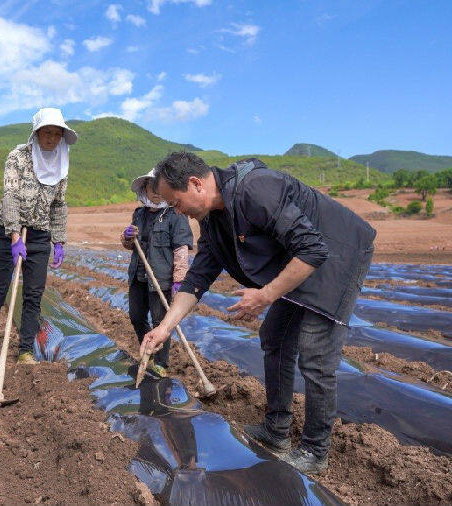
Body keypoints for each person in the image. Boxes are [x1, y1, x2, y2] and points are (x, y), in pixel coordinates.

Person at [142, 152, 375, 474]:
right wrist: (164, 329)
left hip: (336, 255)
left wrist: (265, 295)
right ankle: (277, 430)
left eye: (176, 202)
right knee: (275, 338)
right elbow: (197, 280)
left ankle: (315, 450)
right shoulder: (212, 221)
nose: (175, 210)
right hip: (298, 262)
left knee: (314, 354)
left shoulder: (256, 190)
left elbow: (313, 249)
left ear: (195, 184)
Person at [0, 107, 74, 380]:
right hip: (7, 232)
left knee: (33, 295)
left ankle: (26, 350)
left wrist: (59, 240)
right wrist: (15, 235)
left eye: (56, 133)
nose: (51, 138)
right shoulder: (18, 156)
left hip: (40, 234)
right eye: (47, 132)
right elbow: (10, 196)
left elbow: (59, 205)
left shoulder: (62, 162)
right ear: (36, 133)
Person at [121, 169, 192, 378]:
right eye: (152, 188)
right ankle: (148, 350)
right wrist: (127, 237)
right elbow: (129, 245)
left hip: (161, 280)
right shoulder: (139, 214)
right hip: (138, 276)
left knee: (161, 323)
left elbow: (181, 249)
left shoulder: (176, 215)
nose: (156, 193)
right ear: (145, 189)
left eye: (160, 188)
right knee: (136, 316)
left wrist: (179, 281)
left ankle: (161, 363)